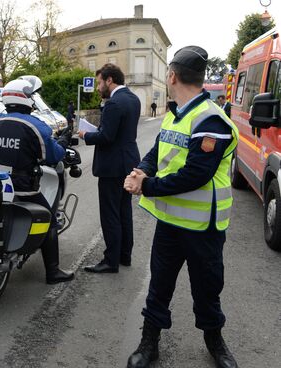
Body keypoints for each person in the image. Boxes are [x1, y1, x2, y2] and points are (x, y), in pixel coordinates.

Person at [123, 46, 239, 368]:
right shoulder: (177, 115)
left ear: (171, 75)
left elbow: (195, 175)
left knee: (207, 288)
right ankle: (149, 343)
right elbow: (158, 150)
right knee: (160, 283)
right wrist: (142, 170)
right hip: (171, 223)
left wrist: (145, 186)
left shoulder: (210, 119)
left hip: (204, 227)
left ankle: (215, 342)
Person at [0, 76, 75, 284]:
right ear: (26, 99)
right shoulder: (35, 126)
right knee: (49, 219)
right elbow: (51, 156)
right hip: (22, 187)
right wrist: (63, 141)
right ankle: (53, 271)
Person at [79, 63, 141, 273]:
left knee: (110, 214)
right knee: (124, 211)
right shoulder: (133, 98)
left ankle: (110, 261)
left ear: (109, 80)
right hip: (128, 162)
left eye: (99, 82)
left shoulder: (114, 103)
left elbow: (106, 137)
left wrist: (86, 135)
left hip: (112, 166)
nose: (98, 87)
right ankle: (125, 255)